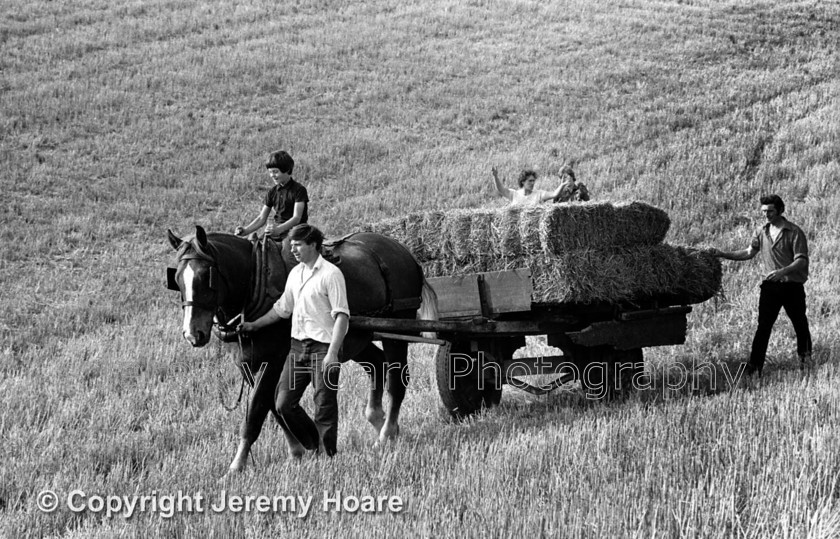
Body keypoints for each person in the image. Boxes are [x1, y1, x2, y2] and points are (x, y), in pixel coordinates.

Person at [238, 224, 350, 456]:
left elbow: (341, 316)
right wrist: (254, 325)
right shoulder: (295, 274)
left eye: (298, 245)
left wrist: (332, 353)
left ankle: (327, 455)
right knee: (283, 403)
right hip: (297, 348)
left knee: (324, 405)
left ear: (313, 245)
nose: (293, 249)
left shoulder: (331, 274)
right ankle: (315, 444)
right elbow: (282, 309)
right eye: (292, 245)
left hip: (323, 349)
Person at [710, 194, 812, 378]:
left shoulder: (795, 232)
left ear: (780, 210)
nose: (767, 215)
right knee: (763, 327)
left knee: (800, 324)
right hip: (770, 287)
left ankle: (805, 362)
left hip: (792, 287)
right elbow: (749, 252)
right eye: (764, 211)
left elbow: (802, 261)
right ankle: (754, 368)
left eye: (770, 211)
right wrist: (722, 254)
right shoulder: (761, 231)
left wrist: (783, 271)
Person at [235, 150, 309, 241]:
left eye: (275, 172)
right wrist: (246, 230)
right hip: (277, 230)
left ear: (288, 170)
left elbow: (296, 218)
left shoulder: (299, 190)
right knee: (257, 247)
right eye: (270, 172)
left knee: (286, 250)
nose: (272, 175)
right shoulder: (272, 192)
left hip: (297, 231)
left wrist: (278, 229)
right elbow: (262, 218)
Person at [491, 167, 573, 205]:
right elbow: (500, 189)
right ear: (523, 181)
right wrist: (495, 176)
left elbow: (554, 194)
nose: (532, 183)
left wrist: (562, 185)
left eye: (533, 181)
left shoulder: (539, 194)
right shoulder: (514, 194)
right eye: (530, 181)